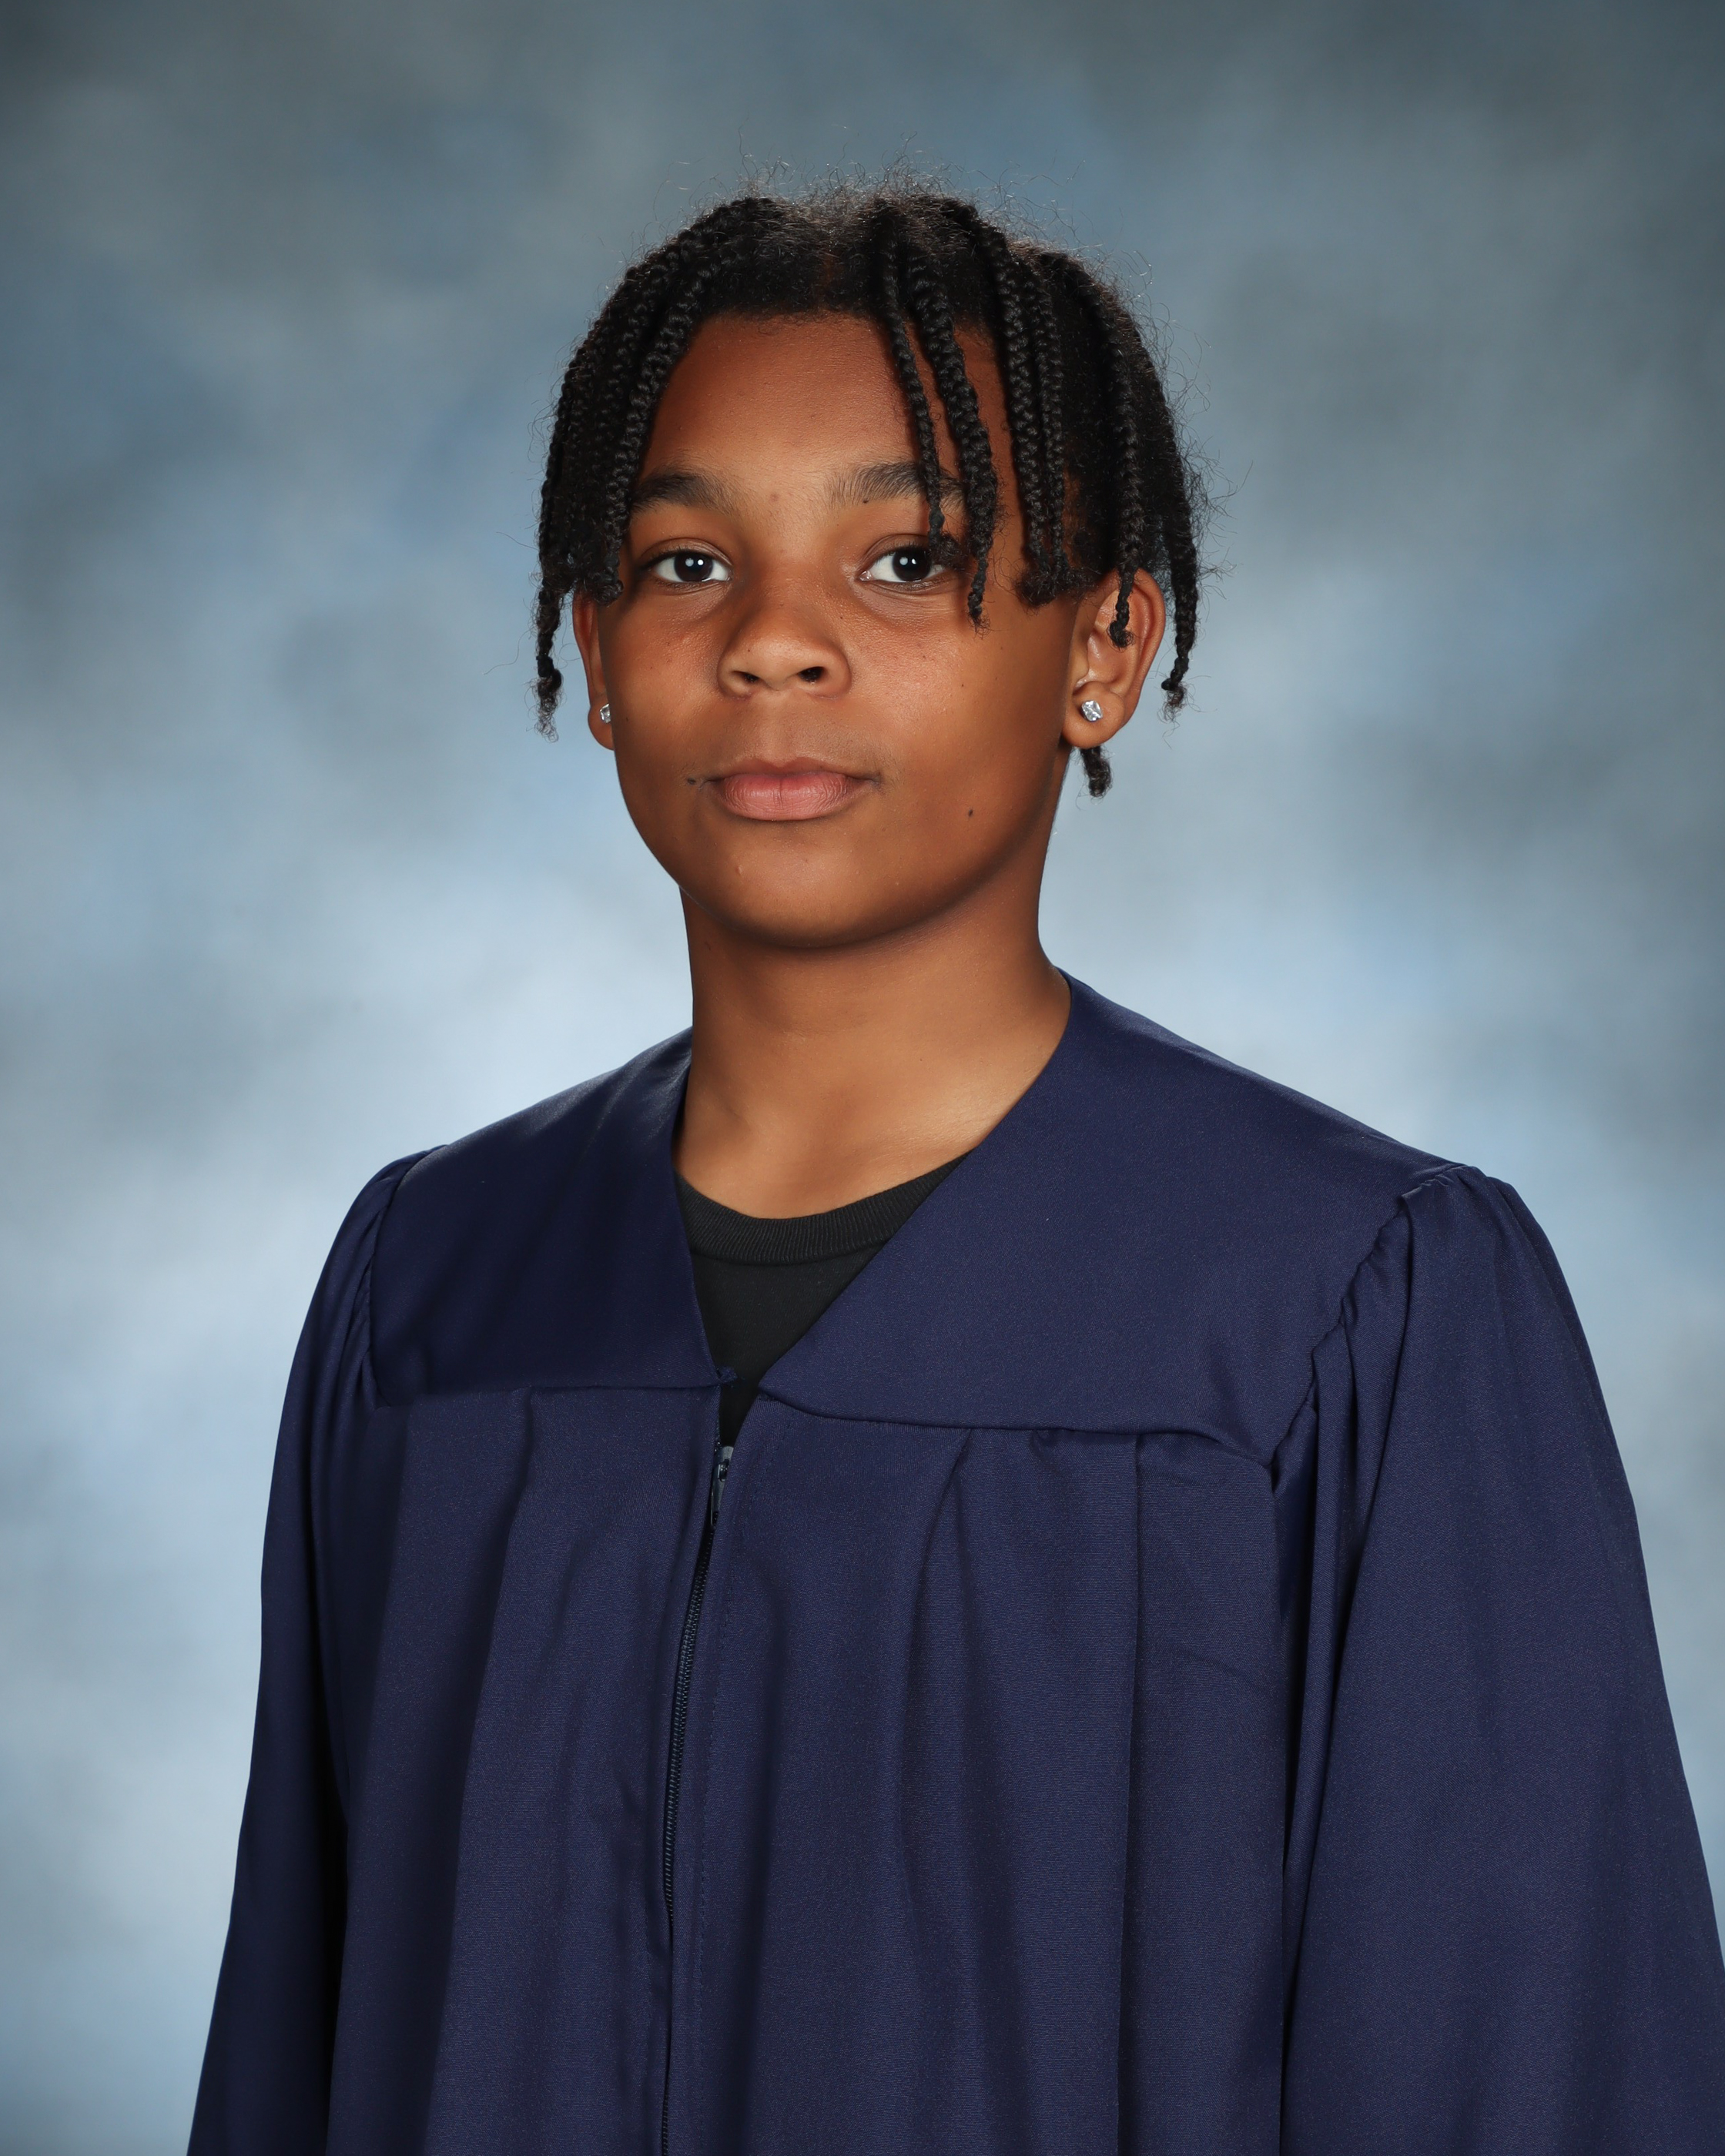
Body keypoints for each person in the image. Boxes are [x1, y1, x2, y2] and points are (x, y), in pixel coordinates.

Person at [189, 186, 1725, 2155]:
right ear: (592, 648)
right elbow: (297, 2054)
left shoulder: (1352, 1302)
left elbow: (1536, 2072)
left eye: (904, 558)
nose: (772, 643)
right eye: (684, 562)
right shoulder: (431, 1288)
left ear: (1104, 643)